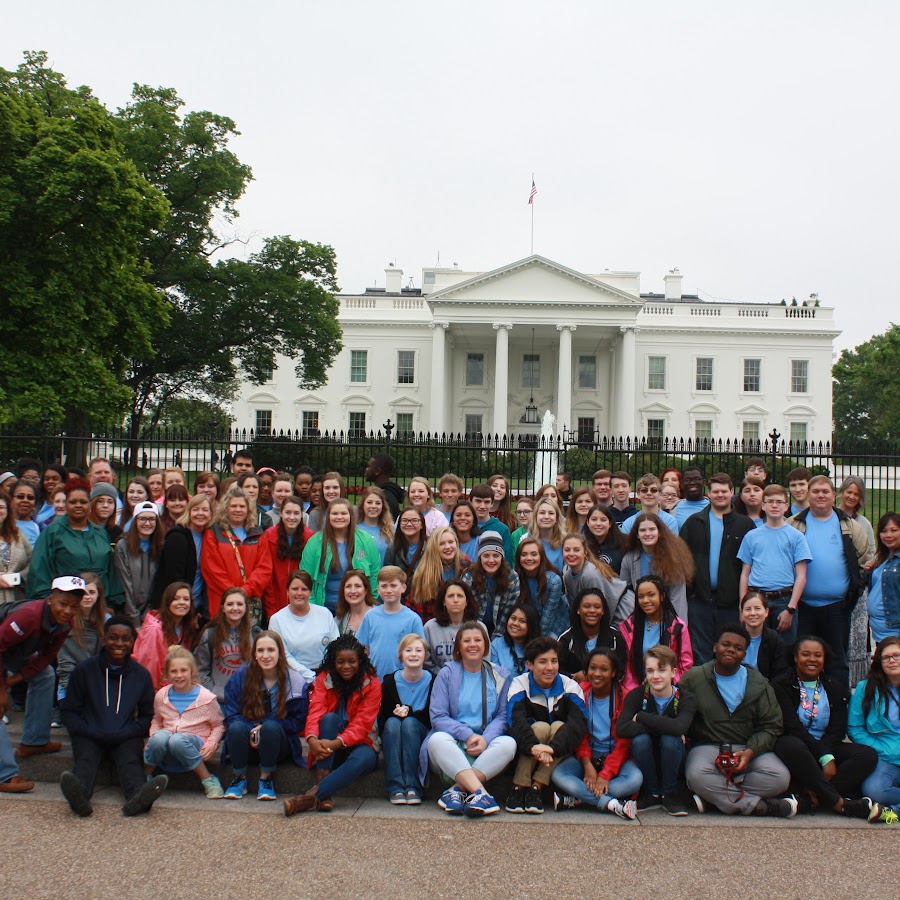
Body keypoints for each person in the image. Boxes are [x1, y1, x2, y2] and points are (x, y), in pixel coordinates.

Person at [680, 623, 797, 817]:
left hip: (747, 747)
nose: (731, 650)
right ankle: (761, 806)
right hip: (708, 747)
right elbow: (677, 709)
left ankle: (713, 799)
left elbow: (772, 725)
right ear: (715, 647)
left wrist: (751, 752)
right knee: (696, 775)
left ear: (744, 654)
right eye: (726, 644)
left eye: (738, 648)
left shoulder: (758, 683)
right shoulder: (695, 678)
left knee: (780, 778)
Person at [59, 615, 168, 817]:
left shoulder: (141, 675)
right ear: (103, 638)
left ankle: (139, 798)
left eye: (125, 638)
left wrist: (128, 732)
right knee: (85, 761)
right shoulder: (84, 670)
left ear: (133, 641)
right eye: (113, 637)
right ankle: (79, 798)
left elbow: (146, 716)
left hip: (124, 734)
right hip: (89, 732)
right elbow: (69, 711)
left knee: (130, 762)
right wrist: (87, 730)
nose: (119, 643)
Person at [772, 636, 879, 819]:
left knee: (867, 755)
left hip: (826, 744)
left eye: (818, 655)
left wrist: (825, 753)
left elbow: (837, 729)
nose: (812, 659)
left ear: (824, 659)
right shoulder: (781, 684)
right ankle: (838, 803)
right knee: (790, 745)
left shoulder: (834, 686)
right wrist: (824, 756)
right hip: (796, 744)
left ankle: (811, 796)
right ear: (796, 658)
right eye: (805, 654)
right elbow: (791, 725)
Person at [420, 621, 516, 817]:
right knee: (437, 740)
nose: (473, 645)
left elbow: (503, 716)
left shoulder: (499, 675)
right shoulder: (447, 673)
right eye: (467, 641)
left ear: (485, 645)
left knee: (509, 743)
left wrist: (485, 739)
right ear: (458, 647)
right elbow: (438, 716)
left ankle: (456, 791)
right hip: (451, 747)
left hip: (483, 748)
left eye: (477, 640)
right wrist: (468, 735)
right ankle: (481, 794)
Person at [787, 476, 871, 688]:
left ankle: (838, 708)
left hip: (838, 608)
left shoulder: (851, 526)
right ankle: (804, 706)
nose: (820, 495)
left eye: (826, 491)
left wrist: (853, 593)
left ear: (834, 495)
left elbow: (864, 561)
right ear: (808, 495)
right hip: (802, 607)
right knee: (802, 658)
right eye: (815, 491)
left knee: (836, 661)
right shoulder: (794, 524)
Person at [283, 634, 381, 814]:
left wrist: (337, 743)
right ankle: (323, 794)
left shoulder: (372, 684)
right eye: (341, 662)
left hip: (363, 743)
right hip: (329, 747)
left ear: (360, 661)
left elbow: (362, 724)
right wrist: (312, 739)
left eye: (352, 661)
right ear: (333, 661)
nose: (346, 666)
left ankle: (309, 798)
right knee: (328, 719)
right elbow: (316, 712)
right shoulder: (324, 679)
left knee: (362, 759)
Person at [0, 575, 85, 765]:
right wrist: (2, 689)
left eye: (74, 607)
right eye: (63, 603)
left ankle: (34, 741)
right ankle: (4, 772)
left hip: (15, 651)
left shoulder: (65, 623)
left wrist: (18, 678)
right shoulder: (29, 615)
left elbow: (47, 656)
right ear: (50, 599)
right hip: (3, 647)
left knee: (45, 674)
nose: (67, 611)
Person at [549, 646, 642, 818]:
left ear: (614, 672)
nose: (597, 674)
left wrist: (606, 774)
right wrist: (587, 766)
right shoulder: (580, 692)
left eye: (604, 669)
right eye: (593, 668)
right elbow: (579, 735)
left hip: (615, 757)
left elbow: (624, 743)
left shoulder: (625, 697)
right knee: (559, 774)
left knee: (635, 779)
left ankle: (579, 799)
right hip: (587, 755)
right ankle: (611, 804)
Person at [505, 636, 588, 815]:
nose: (549, 668)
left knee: (559, 726)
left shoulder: (570, 686)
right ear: (530, 665)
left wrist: (552, 749)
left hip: (559, 751)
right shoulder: (520, 683)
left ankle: (536, 787)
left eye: (554, 661)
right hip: (526, 748)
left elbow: (578, 724)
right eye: (542, 662)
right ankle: (519, 786)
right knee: (541, 727)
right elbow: (515, 720)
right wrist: (534, 746)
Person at [223, 630, 309, 801]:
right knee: (236, 727)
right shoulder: (241, 676)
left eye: (271, 650)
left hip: (277, 744)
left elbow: (298, 722)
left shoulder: (295, 680)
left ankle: (266, 779)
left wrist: (265, 727)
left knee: (270, 727)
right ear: (254, 653)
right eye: (260, 650)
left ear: (280, 653)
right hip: (246, 742)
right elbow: (230, 714)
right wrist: (252, 729)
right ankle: (239, 778)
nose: (265, 655)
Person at [681, 472, 756, 664]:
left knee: (729, 651)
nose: (720, 495)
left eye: (724, 491)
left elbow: (751, 564)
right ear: (709, 493)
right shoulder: (694, 522)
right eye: (716, 491)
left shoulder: (745, 524)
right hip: (700, 600)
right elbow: (682, 558)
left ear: (732, 492)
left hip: (730, 602)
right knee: (701, 653)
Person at [617, 645, 697, 815]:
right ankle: (652, 793)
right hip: (646, 755)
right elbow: (622, 727)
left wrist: (642, 717)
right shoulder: (637, 695)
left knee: (670, 738)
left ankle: (669, 794)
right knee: (640, 740)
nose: (656, 676)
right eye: (650, 671)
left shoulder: (686, 698)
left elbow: (679, 727)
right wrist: (665, 726)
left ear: (673, 672)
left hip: (675, 756)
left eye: (661, 670)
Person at [27, 479, 125, 611]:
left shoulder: (101, 533)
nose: (78, 505)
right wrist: (47, 602)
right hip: (66, 606)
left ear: (90, 504)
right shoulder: (53, 532)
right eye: (73, 502)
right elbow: (40, 568)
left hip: (99, 606)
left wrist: (112, 603)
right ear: (66, 504)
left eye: (83, 502)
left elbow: (111, 571)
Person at [143, 646, 226, 798]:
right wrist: (153, 737)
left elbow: (218, 725)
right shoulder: (162, 696)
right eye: (174, 671)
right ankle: (145, 777)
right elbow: (157, 720)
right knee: (161, 737)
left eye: (183, 671)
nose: (179, 675)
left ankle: (208, 779)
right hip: (167, 744)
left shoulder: (206, 698)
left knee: (177, 740)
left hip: (193, 744)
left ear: (192, 671)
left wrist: (211, 744)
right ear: (167, 674)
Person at [737, 484, 812, 645]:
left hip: (783, 600)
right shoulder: (751, 536)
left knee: (784, 650)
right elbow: (745, 573)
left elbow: (801, 576)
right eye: (770, 501)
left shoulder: (796, 537)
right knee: (755, 646)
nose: (774, 505)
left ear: (786, 506)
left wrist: (791, 609)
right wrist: (743, 606)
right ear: (763, 505)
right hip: (757, 599)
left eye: (779, 502)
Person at [848, 636, 900, 824]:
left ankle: (892, 810)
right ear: (879, 662)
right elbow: (855, 728)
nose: (892, 660)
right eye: (886, 657)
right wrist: (883, 749)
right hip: (884, 756)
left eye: (896, 655)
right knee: (875, 790)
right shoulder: (866, 688)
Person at [378, 633, 434, 804]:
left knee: (409, 723)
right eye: (408, 650)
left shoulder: (433, 680)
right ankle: (395, 786)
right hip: (394, 732)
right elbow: (383, 717)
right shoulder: (389, 681)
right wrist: (395, 713)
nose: (413, 654)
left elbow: (430, 717)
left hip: (421, 731)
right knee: (394, 723)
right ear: (401, 656)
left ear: (426, 656)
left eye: (418, 650)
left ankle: (413, 786)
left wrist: (409, 712)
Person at [300, 498, 381, 613]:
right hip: (323, 608)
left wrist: (368, 604)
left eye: (343, 513)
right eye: (335, 513)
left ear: (351, 516)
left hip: (356, 608)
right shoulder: (314, 542)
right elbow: (305, 578)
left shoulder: (366, 540)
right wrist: (314, 610)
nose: (339, 517)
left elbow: (374, 574)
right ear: (328, 517)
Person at [618, 575, 692, 692]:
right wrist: (637, 691)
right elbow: (627, 667)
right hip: (635, 691)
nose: (645, 600)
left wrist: (665, 684)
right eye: (641, 597)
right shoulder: (627, 627)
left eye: (651, 595)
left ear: (662, 596)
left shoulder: (678, 627)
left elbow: (685, 665)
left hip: (668, 690)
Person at [201, 488, 265, 621]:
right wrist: (233, 595)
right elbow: (212, 569)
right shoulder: (213, 533)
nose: (238, 510)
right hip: (222, 601)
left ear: (248, 509)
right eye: (233, 506)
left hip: (250, 601)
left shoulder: (258, 533)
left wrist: (247, 590)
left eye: (242, 506)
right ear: (226, 509)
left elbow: (264, 568)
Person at [620, 513, 695, 622]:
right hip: (639, 615)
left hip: (666, 617)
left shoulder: (673, 559)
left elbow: (677, 599)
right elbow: (624, 591)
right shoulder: (629, 559)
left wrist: (677, 629)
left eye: (652, 529)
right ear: (637, 534)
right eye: (643, 530)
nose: (648, 534)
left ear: (659, 532)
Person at [249, 495, 312, 621]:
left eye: (296, 513)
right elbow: (267, 576)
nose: (292, 517)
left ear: (302, 515)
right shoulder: (268, 537)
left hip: (301, 602)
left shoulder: (310, 538)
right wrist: (271, 610)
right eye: (288, 512)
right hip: (274, 600)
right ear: (281, 513)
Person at [269, 570, 339, 682]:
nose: (299, 593)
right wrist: (310, 677)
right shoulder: (277, 620)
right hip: (292, 677)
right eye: (295, 589)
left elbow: (335, 646)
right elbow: (283, 655)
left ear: (310, 592)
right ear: (287, 591)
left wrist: (325, 676)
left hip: (326, 676)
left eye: (304, 589)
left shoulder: (324, 614)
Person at [356, 566, 425, 679]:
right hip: (374, 679)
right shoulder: (370, 616)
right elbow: (363, 649)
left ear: (403, 588)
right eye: (384, 586)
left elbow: (420, 652)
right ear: (378, 589)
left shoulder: (412, 619)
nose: (388, 590)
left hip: (402, 680)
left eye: (393, 585)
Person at [195, 587, 260, 704]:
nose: (235, 608)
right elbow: (200, 671)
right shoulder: (210, 634)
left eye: (239, 604)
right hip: (218, 701)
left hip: (248, 701)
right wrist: (216, 692)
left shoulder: (256, 634)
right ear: (222, 608)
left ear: (246, 608)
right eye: (230, 604)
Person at [56, 573, 107, 722]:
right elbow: (65, 665)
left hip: (97, 687)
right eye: (83, 593)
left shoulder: (106, 621)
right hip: (70, 688)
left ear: (99, 595)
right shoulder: (66, 622)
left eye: (92, 592)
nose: (87, 597)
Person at [152, 494, 213, 616]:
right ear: (188, 512)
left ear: (211, 514)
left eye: (205, 510)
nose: (200, 513)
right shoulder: (177, 537)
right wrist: (187, 609)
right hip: (177, 605)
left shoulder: (208, 536)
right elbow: (174, 578)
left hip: (197, 605)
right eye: (195, 509)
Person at [133, 581, 201, 688]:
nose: (182, 602)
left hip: (174, 689)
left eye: (186, 599)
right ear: (167, 602)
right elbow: (149, 668)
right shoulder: (153, 630)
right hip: (155, 692)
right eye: (176, 599)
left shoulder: (185, 627)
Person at [561, 532, 632, 625]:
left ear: (585, 553)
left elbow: (603, 606)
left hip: (622, 610)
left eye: (576, 550)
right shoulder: (567, 575)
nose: (571, 554)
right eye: (567, 550)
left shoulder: (590, 574)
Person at [461, 532, 521, 638]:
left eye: (496, 556)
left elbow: (508, 612)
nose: (491, 560)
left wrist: (496, 638)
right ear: (480, 557)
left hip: (501, 628)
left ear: (501, 558)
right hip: (472, 626)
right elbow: (465, 610)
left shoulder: (512, 578)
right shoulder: (469, 576)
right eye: (486, 556)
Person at [557, 588, 623, 680]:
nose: (592, 610)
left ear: (603, 611)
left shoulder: (615, 638)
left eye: (597, 607)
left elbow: (621, 670)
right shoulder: (566, 639)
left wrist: (590, 676)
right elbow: (557, 670)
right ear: (578, 610)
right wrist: (574, 677)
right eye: (586, 606)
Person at [115, 500, 163, 623]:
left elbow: (157, 584)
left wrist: (147, 613)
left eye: (152, 519)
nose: (147, 523)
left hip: (149, 614)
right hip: (127, 612)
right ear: (135, 521)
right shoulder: (123, 546)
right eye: (142, 519)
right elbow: (125, 583)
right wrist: (134, 618)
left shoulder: (160, 547)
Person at [409, 527, 470, 623]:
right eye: (441, 544)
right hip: (433, 625)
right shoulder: (424, 572)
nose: (448, 547)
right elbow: (417, 607)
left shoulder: (466, 565)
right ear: (434, 547)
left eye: (451, 542)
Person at [514, 536, 566, 637]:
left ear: (541, 557)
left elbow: (547, 620)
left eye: (534, 554)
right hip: (527, 626)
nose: (529, 558)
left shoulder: (554, 581)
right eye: (524, 554)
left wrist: (533, 641)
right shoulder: (515, 579)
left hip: (554, 628)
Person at [424, 579, 479, 672]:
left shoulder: (478, 628)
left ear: (467, 602)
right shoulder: (430, 627)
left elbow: (484, 660)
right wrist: (444, 676)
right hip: (438, 680)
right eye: (450, 596)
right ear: (443, 602)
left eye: (460, 596)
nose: (455, 600)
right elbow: (426, 660)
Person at [864, 513, 900, 643]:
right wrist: (870, 571)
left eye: (894, 530)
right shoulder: (883, 557)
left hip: (894, 633)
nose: (888, 535)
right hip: (879, 632)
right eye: (884, 531)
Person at [739, 590, 788, 681]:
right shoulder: (733, 637)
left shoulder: (774, 639)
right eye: (748, 609)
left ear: (766, 612)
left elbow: (780, 674)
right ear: (742, 613)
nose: (753, 613)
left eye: (757, 608)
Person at [490, 603, 541, 677]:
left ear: (531, 626)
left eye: (522, 621)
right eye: (513, 618)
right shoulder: (497, 645)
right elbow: (494, 677)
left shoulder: (540, 648)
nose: (516, 623)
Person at [0, 494, 32, 606]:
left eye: (1, 507)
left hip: (16, 600)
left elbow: (33, 561)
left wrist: (18, 577)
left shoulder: (18, 535)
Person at [468, 484, 513, 560]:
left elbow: (507, 561)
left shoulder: (502, 529)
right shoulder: (465, 526)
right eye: (478, 501)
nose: (482, 506)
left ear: (492, 503)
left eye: (487, 502)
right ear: (470, 501)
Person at [526, 496, 566, 572]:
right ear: (536, 517)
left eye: (551, 513)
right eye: (542, 513)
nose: (546, 517)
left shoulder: (564, 542)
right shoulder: (527, 540)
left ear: (557, 518)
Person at [838, 475, 876, 553]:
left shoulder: (864, 523)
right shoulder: (830, 516)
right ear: (842, 491)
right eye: (849, 492)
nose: (852, 497)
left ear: (860, 498)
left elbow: (871, 552)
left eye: (856, 494)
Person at [356, 485, 394, 562]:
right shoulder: (354, 529)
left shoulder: (391, 530)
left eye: (378, 503)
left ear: (383, 506)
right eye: (369, 502)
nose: (373, 506)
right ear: (363, 505)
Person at [584, 504, 625, 574]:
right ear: (588, 522)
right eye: (594, 519)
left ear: (610, 523)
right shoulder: (583, 546)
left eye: (603, 520)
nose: (598, 523)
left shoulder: (624, 544)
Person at [334, 569, 375, 636]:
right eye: (348, 586)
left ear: (366, 590)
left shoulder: (378, 615)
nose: (353, 591)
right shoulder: (338, 621)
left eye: (357, 586)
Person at [364, 454, 404, 520]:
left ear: (377, 471)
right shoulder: (390, 493)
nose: (366, 470)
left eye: (368, 467)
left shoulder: (385, 498)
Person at [9, 480, 40, 548]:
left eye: (30, 498)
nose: (25, 500)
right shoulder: (3, 525)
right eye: (20, 497)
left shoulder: (41, 528)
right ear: (10, 500)